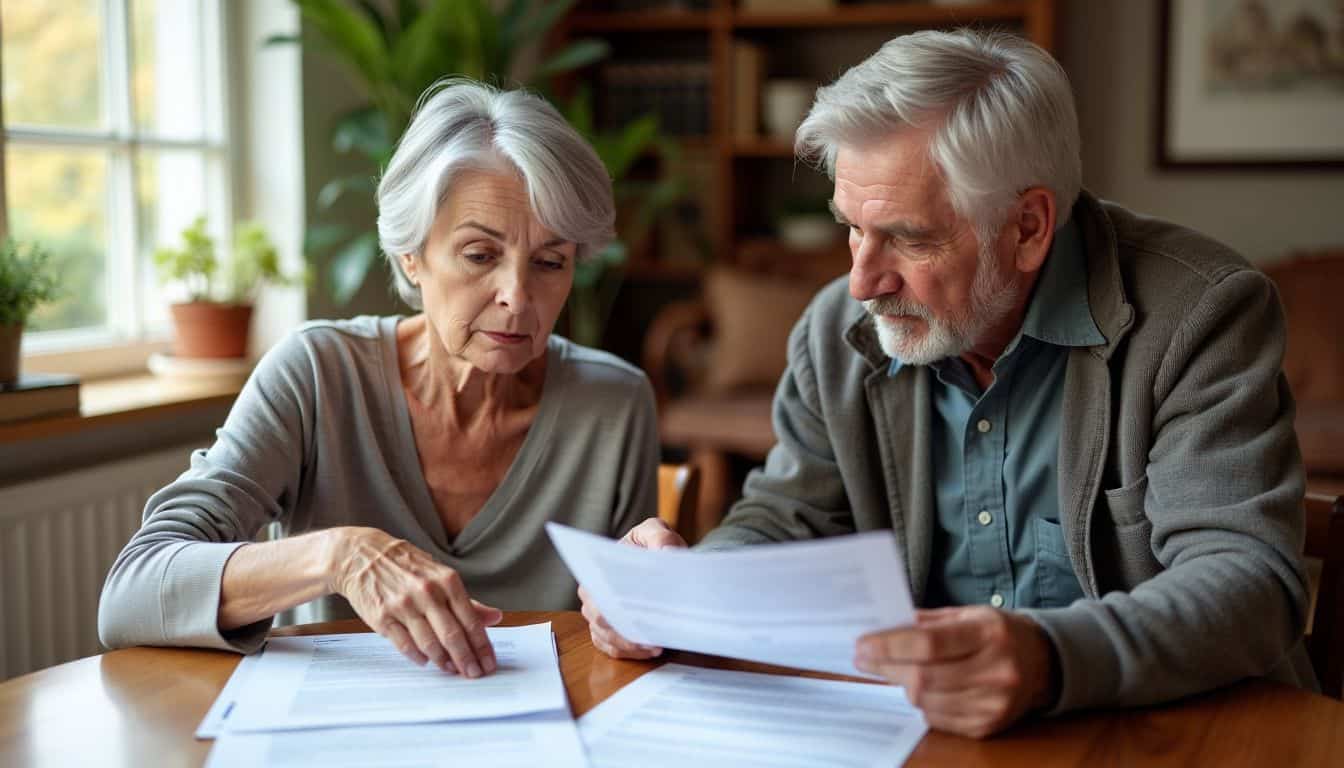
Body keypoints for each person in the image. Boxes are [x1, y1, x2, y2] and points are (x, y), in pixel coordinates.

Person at [580, 30, 1316, 737]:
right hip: (924, 739)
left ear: (1028, 227)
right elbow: (786, 521)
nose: (862, 281)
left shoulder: (1201, 315)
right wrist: (678, 595)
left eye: (907, 236)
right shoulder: (836, 332)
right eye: (850, 227)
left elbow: (1248, 584)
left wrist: (1048, 661)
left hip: (1177, 734)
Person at [99, 80, 659, 681]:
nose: (517, 297)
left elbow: (627, 647)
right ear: (410, 255)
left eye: (550, 263)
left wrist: (649, 606)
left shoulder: (615, 404)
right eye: (479, 254)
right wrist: (339, 556)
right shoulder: (316, 376)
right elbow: (132, 593)